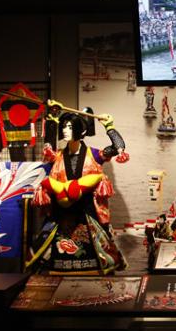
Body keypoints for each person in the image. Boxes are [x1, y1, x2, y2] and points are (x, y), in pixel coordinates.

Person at [28, 103, 129, 275]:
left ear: (81, 132)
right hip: (62, 208)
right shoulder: (58, 155)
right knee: (48, 243)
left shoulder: (94, 154)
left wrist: (109, 127)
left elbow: (118, 147)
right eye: (64, 127)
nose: (65, 130)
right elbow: (48, 145)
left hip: (87, 208)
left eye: (70, 127)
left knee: (100, 242)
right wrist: (53, 115)